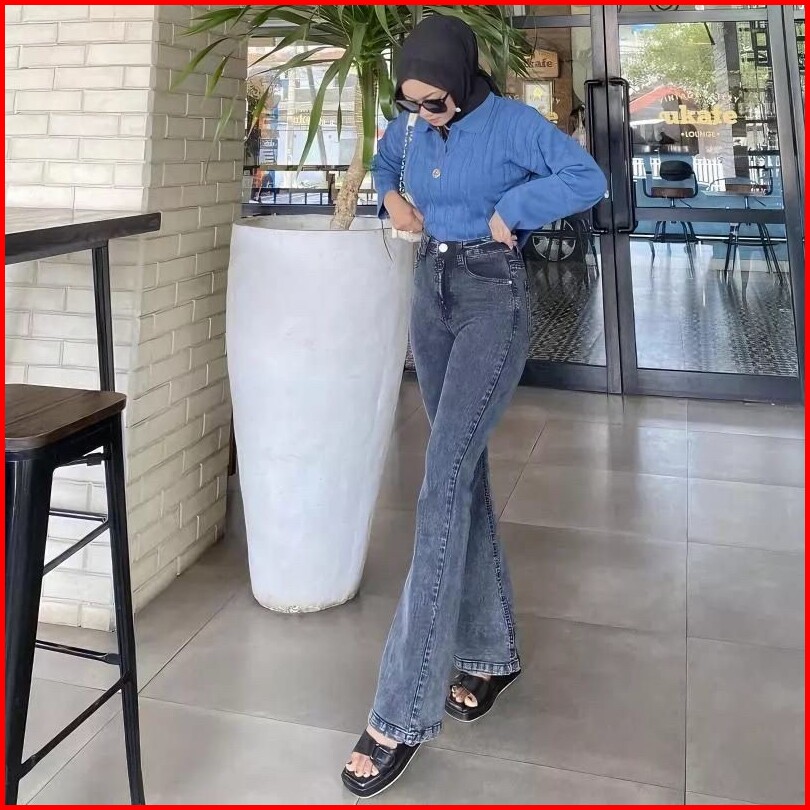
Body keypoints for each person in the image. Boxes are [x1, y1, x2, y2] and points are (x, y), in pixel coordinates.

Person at [341, 15, 607, 798]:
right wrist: (391, 196)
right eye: (413, 102)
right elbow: (387, 158)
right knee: (461, 478)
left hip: (493, 298)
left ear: (462, 81)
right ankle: (492, 655)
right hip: (432, 293)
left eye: (436, 102)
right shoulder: (410, 124)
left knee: (440, 486)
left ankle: (399, 712)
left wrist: (513, 210)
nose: (424, 115)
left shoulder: (512, 124)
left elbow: (586, 177)